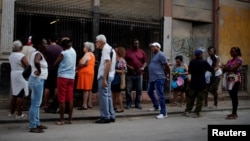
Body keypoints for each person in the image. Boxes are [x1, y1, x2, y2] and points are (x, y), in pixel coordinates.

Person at [183, 48, 214, 118]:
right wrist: (217, 67)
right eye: (202, 53)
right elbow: (211, 69)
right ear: (200, 55)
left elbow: (189, 71)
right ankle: (196, 112)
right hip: (201, 83)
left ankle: (187, 110)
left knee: (191, 97)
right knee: (200, 98)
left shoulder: (192, 62)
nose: (203, 54)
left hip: (193, 82)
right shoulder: (204, 62)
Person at [54, 37, 76, 125]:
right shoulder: (73, 51)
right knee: (70, 98)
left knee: (62, 99)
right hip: (71, 77)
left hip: (62, 77)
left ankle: (61, 119)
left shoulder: (63, 53)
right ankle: (70, 119)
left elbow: (55, 63)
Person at [28, 36, 48, 133]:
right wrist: (39, 70)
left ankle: (37, 122)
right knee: (35, 104)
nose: (46, 45)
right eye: (44, 43)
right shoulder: (38, 54)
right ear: (39, 45)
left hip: (37, 80)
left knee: (37, 103)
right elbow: (36, 62)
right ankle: (33, 125)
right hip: (37, 80)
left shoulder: (37, 53)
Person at [95, 34, 116, 123]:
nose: (96, 44)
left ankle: (105, 116)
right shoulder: (110, 48)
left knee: (104, 96)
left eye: (97, 42)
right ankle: (111, 115)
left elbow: (108, 63)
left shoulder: (105, 49)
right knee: (108, 96)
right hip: (110, 75)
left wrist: (104, 78)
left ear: (100, 42)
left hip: (105, 76)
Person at [147, 42, 170, 119]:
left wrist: (167, 75)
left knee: (160, 95)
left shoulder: (161, 54)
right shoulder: (155, 56)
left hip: (159, 77)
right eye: (151, 47)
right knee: (149, 92)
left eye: (153, 47)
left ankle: (163, 113)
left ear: (158, 47)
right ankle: (156, 106)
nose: (152, 49)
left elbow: (166, 66)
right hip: (152, 78)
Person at [8, 40, 29, 119]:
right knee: (20, 94)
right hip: (21, 74)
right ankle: (19, 113)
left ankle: (12, 112)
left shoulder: (11, 55)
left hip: (13, 73)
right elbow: (27, 65)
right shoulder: (21, 55)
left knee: (14, 93)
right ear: (20, 47)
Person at [125, 39, 147, 109]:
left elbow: (145, 61)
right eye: (135, 44)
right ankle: (129, 103)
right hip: (129, 74)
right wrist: (129, 66)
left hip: (139, 74)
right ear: (132, 44)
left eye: (137, 43)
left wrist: (143, 67)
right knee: (128, 90)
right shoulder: (128, 52)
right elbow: (123, 62)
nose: (136, 45)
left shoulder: (142, 52)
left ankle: (138, 103)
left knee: (139, 90)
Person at [43, 35, 63, 112]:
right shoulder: (60, 48)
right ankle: (55, 102)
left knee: (47, 87)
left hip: (48, 69)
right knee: (56, 87)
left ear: (49, 40)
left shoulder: (46, 48)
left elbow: (43, 57)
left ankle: (45, 103)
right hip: (57, 69)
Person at [222, 47, 243, 119]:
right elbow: (224, 70)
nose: (231, 53)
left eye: (233, 51)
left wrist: (227, 68)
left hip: (236, 80)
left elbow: (233, 69)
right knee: (232, 96)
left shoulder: (239, 60)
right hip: (229, 80)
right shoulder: (230, 60)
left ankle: (235, 113)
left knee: (234, 96)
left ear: (237, 52)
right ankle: (233, 112)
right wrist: (227, 68)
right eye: (230, 51)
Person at [76, 41, 96, 110]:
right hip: (90, 72)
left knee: (85, 89)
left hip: (85, 73)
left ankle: (84, 104)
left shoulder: (87, 54)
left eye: (84, 47)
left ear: (87, 48)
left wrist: (76, 68)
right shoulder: (92, 54)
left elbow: (81, 63)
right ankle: (89, 103)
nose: (83, 48)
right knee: (89, 88)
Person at [111, 46, 127, 113]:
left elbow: (124, 71)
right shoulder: (114, 59)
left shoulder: (121, 61)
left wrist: (115, 71)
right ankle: (114, 106)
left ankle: (121, 107)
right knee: (113, 93)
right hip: (113, 79)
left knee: (118, 94)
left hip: (118, 79)